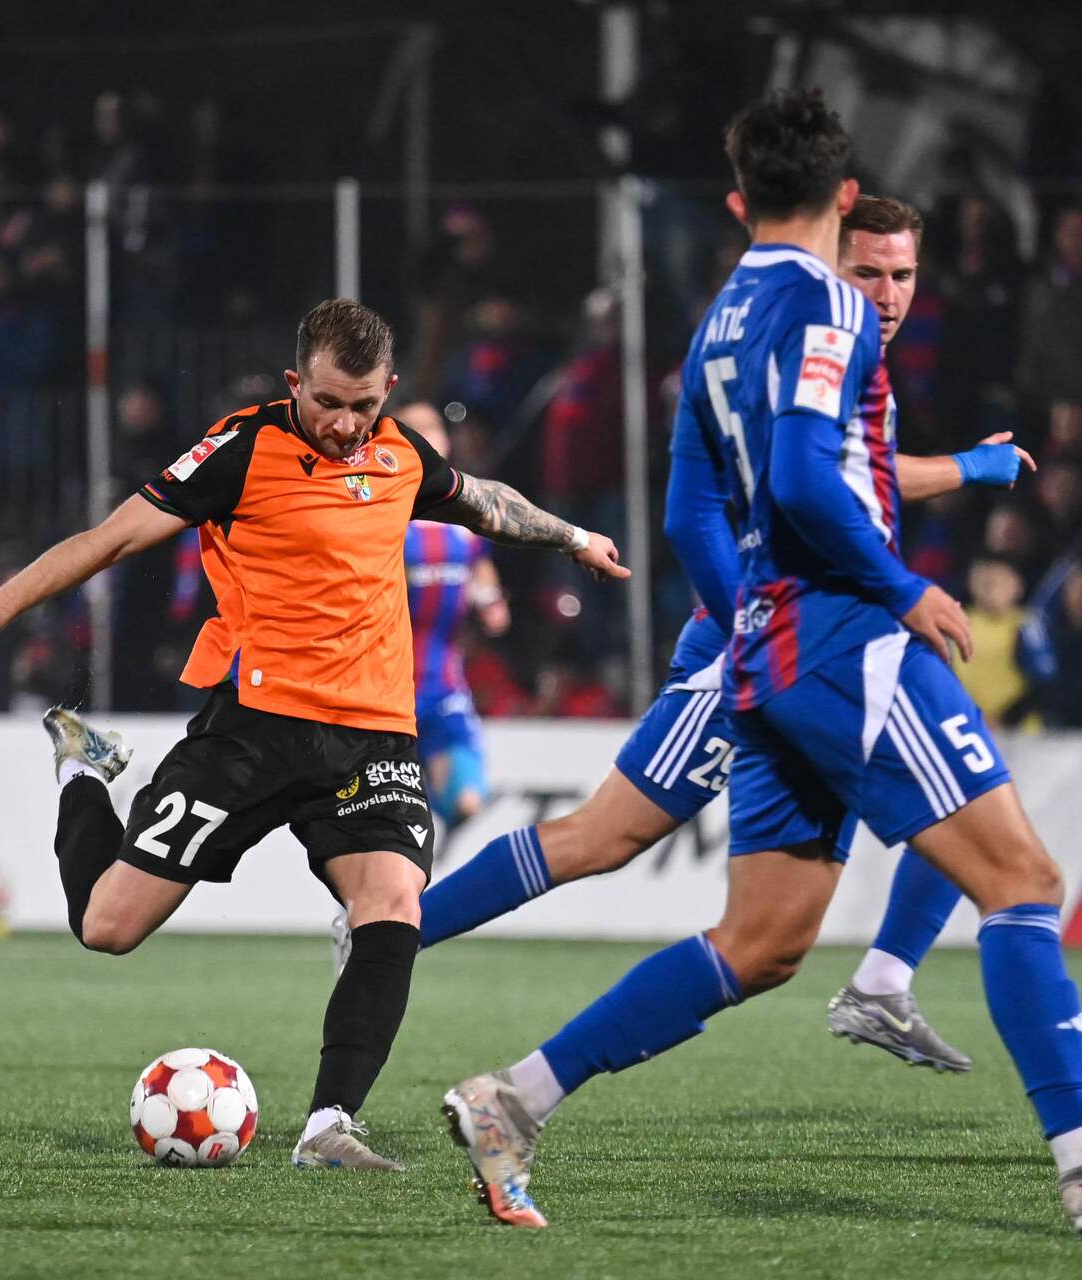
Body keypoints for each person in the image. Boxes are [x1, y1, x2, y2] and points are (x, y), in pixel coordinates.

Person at [438, 89, 1082, 1237]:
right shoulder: (830, 302)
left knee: (762, 943)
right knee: (1022, 880)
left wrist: (755, 618)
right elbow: (804, 479)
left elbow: (689, 509)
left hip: (771, 649)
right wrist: (897, 585)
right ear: (847, 195)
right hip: (839, 635)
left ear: (739, 201)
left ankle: (515, 1099)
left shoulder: (722, 318)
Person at [0, 299, 628, 1172]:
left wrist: (575, 537)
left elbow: (481, 502)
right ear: (295, 384)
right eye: (329, 403)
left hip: (373, 734)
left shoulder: (399, 452)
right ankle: (82, 771)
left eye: (364, 405)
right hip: (254, 730)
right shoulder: (242, 448)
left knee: (392, 905)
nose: (346, 425)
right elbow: (109, 540)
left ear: (389, 390)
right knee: (108, 926)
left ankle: (328, 1125)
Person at [406, 195, 1036, 1079]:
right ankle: (397, 932)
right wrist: (962, 477)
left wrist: (962, 471)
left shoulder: (844, 349)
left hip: (820, 638)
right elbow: (794, 483)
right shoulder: (807, 343)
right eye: (867, 272)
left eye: (902, 275)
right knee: (604, 837)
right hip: (758, 640)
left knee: (960, 786)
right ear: (828, 266)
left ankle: (885, 982)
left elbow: (857, 475)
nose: (887, 293)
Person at [397, 401, 509, 832]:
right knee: (389, 822)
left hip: (444, 684)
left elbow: (480, 562)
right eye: (414, 428)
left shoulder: (465, 510)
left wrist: (490, 599)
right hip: (386, 690)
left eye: (433, 428)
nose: (427, 437)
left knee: (467, 802)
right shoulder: (383, 514)